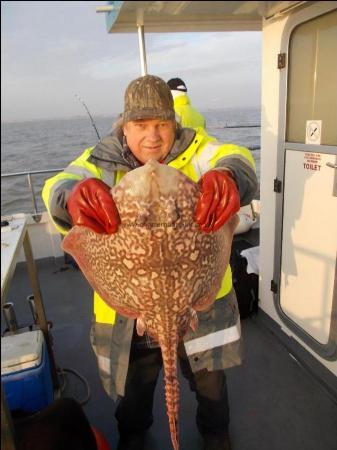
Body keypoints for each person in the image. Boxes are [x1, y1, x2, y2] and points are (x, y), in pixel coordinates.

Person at [42, 75, 258, 450]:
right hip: (129, 309)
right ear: (124, 127)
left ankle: (215, 433)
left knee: (209, 383)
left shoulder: (200, 151)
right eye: (140, 126)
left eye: (161, 124)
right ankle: (134, 436)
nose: (153, 137)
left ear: (175, 123)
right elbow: (57, 186)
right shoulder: (98, 162)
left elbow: (236, 158)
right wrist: (71, 196)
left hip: (197, 299)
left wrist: (230, 177)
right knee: (134, 391)